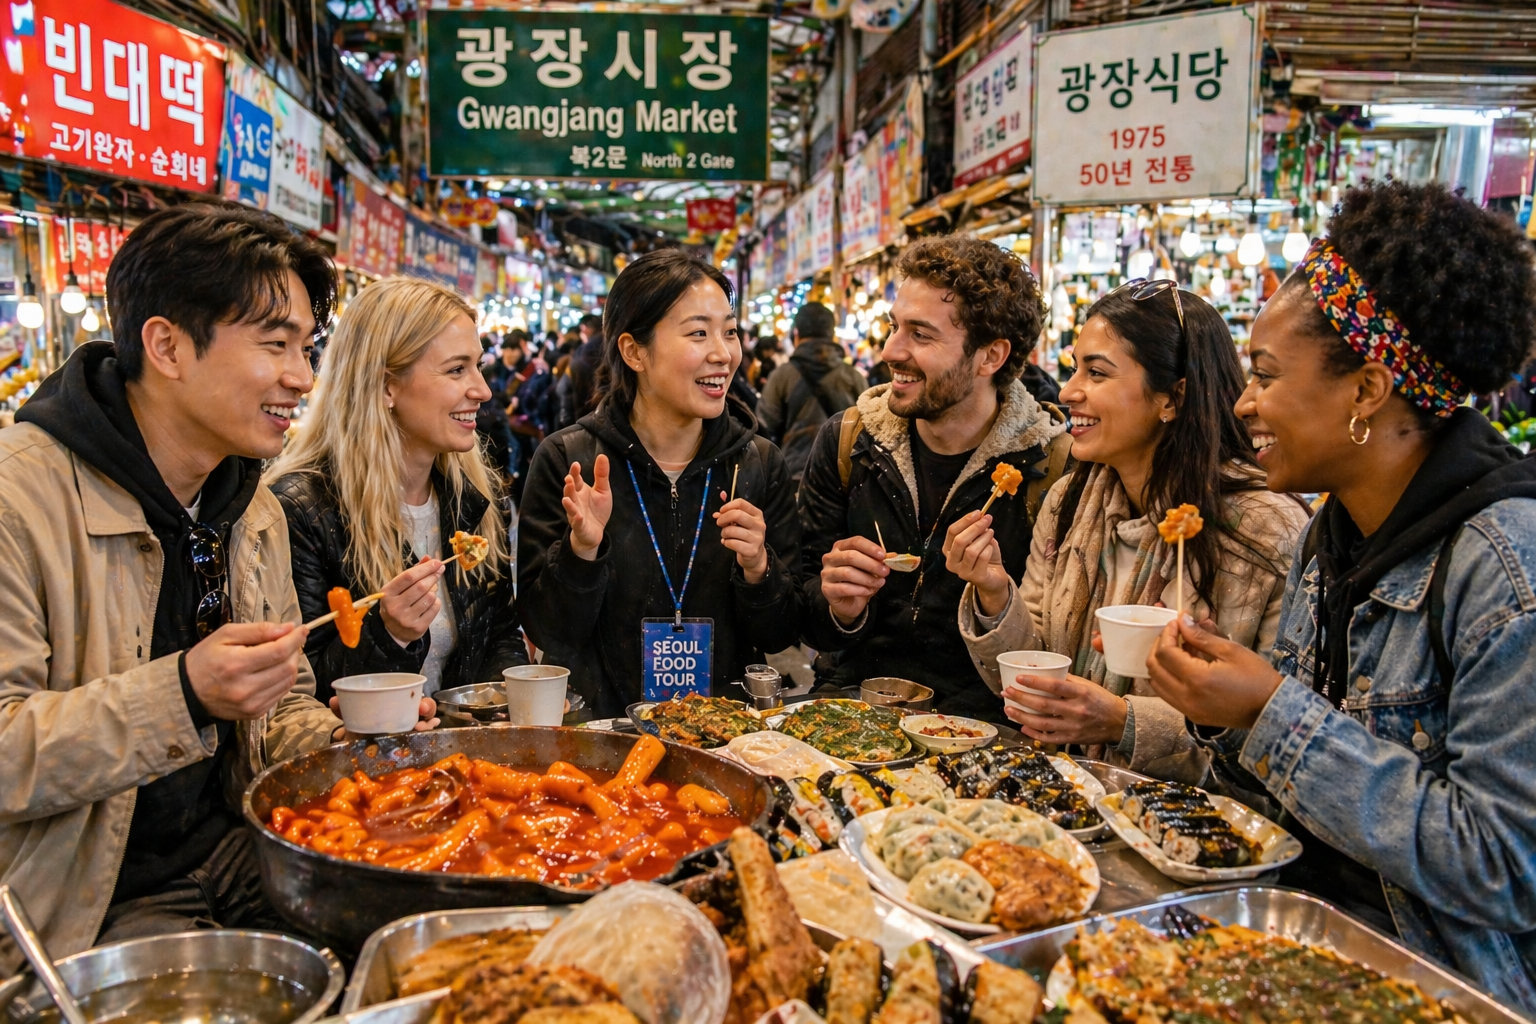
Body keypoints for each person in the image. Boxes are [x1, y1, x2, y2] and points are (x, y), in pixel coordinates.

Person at [1144, 181, 1536, 1010]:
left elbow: (1508, 868)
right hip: (1293, 931)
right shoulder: (1333, 538)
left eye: (1267, 376)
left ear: (1367, 390)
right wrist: (1219, 710)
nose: (1243, 403)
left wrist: (1274, 712)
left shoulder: (1505, 572)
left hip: (1433, 981)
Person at [0, 204, 421, 958]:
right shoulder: (19, 498)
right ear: (166, 346)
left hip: (240, 847)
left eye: (307, 347)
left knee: (421, 929)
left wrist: (355, 741)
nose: (301, 377)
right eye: (276, 346)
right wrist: (184, 692)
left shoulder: (247, 503)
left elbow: (280, 703)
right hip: (88, 898)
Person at [946, 283, 1307, 781]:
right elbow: (1033, 667)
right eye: (1075, 368)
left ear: (1172, 397)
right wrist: (992, 592)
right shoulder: (1070, 501)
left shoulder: (1267, 528)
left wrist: (1124, 723)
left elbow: (1280, 737)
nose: (1069, 391)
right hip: (1066, 790)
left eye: (1096, 372)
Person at [518, 250, 802, 717]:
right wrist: (581, 552)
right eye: (698, 333)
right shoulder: (569, 460)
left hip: (724, 735)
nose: (723, 353)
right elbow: (548, 634)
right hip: (601, 732)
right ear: (634, 352)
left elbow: (782, 633)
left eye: (729, 331)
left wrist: (758, 568)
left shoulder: (757, 463)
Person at [797, 234, 1069, 719]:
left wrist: (994, 596)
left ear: (991, 356)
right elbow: (804, 610)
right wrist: (838, 606)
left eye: (920, 335)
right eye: (894, 326)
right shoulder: (849, 442)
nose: (890, 350)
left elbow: (1051, 649)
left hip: (985, 731)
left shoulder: (1052, 471)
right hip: (847, 708)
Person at [268, 276, 527, 703]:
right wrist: (390, 636)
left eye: (478, 366)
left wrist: (504, 708)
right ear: (387, 385)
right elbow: (295, 696)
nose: (482, 390)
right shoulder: (300, 509)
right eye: (457, 369)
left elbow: (500, 630)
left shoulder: (478, 498)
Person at [758, 303, 869, 482]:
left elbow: (763, 428)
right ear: (832, 335)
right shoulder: (854, 377)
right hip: (845, 478)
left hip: (793, 475)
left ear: (796, 334)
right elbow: (868, 429)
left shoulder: (781, 376)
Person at [567, 312, 606, 420]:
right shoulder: (610, 344)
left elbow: (563, 388)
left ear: (584, 329)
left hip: (587, 412)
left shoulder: (584, 352)